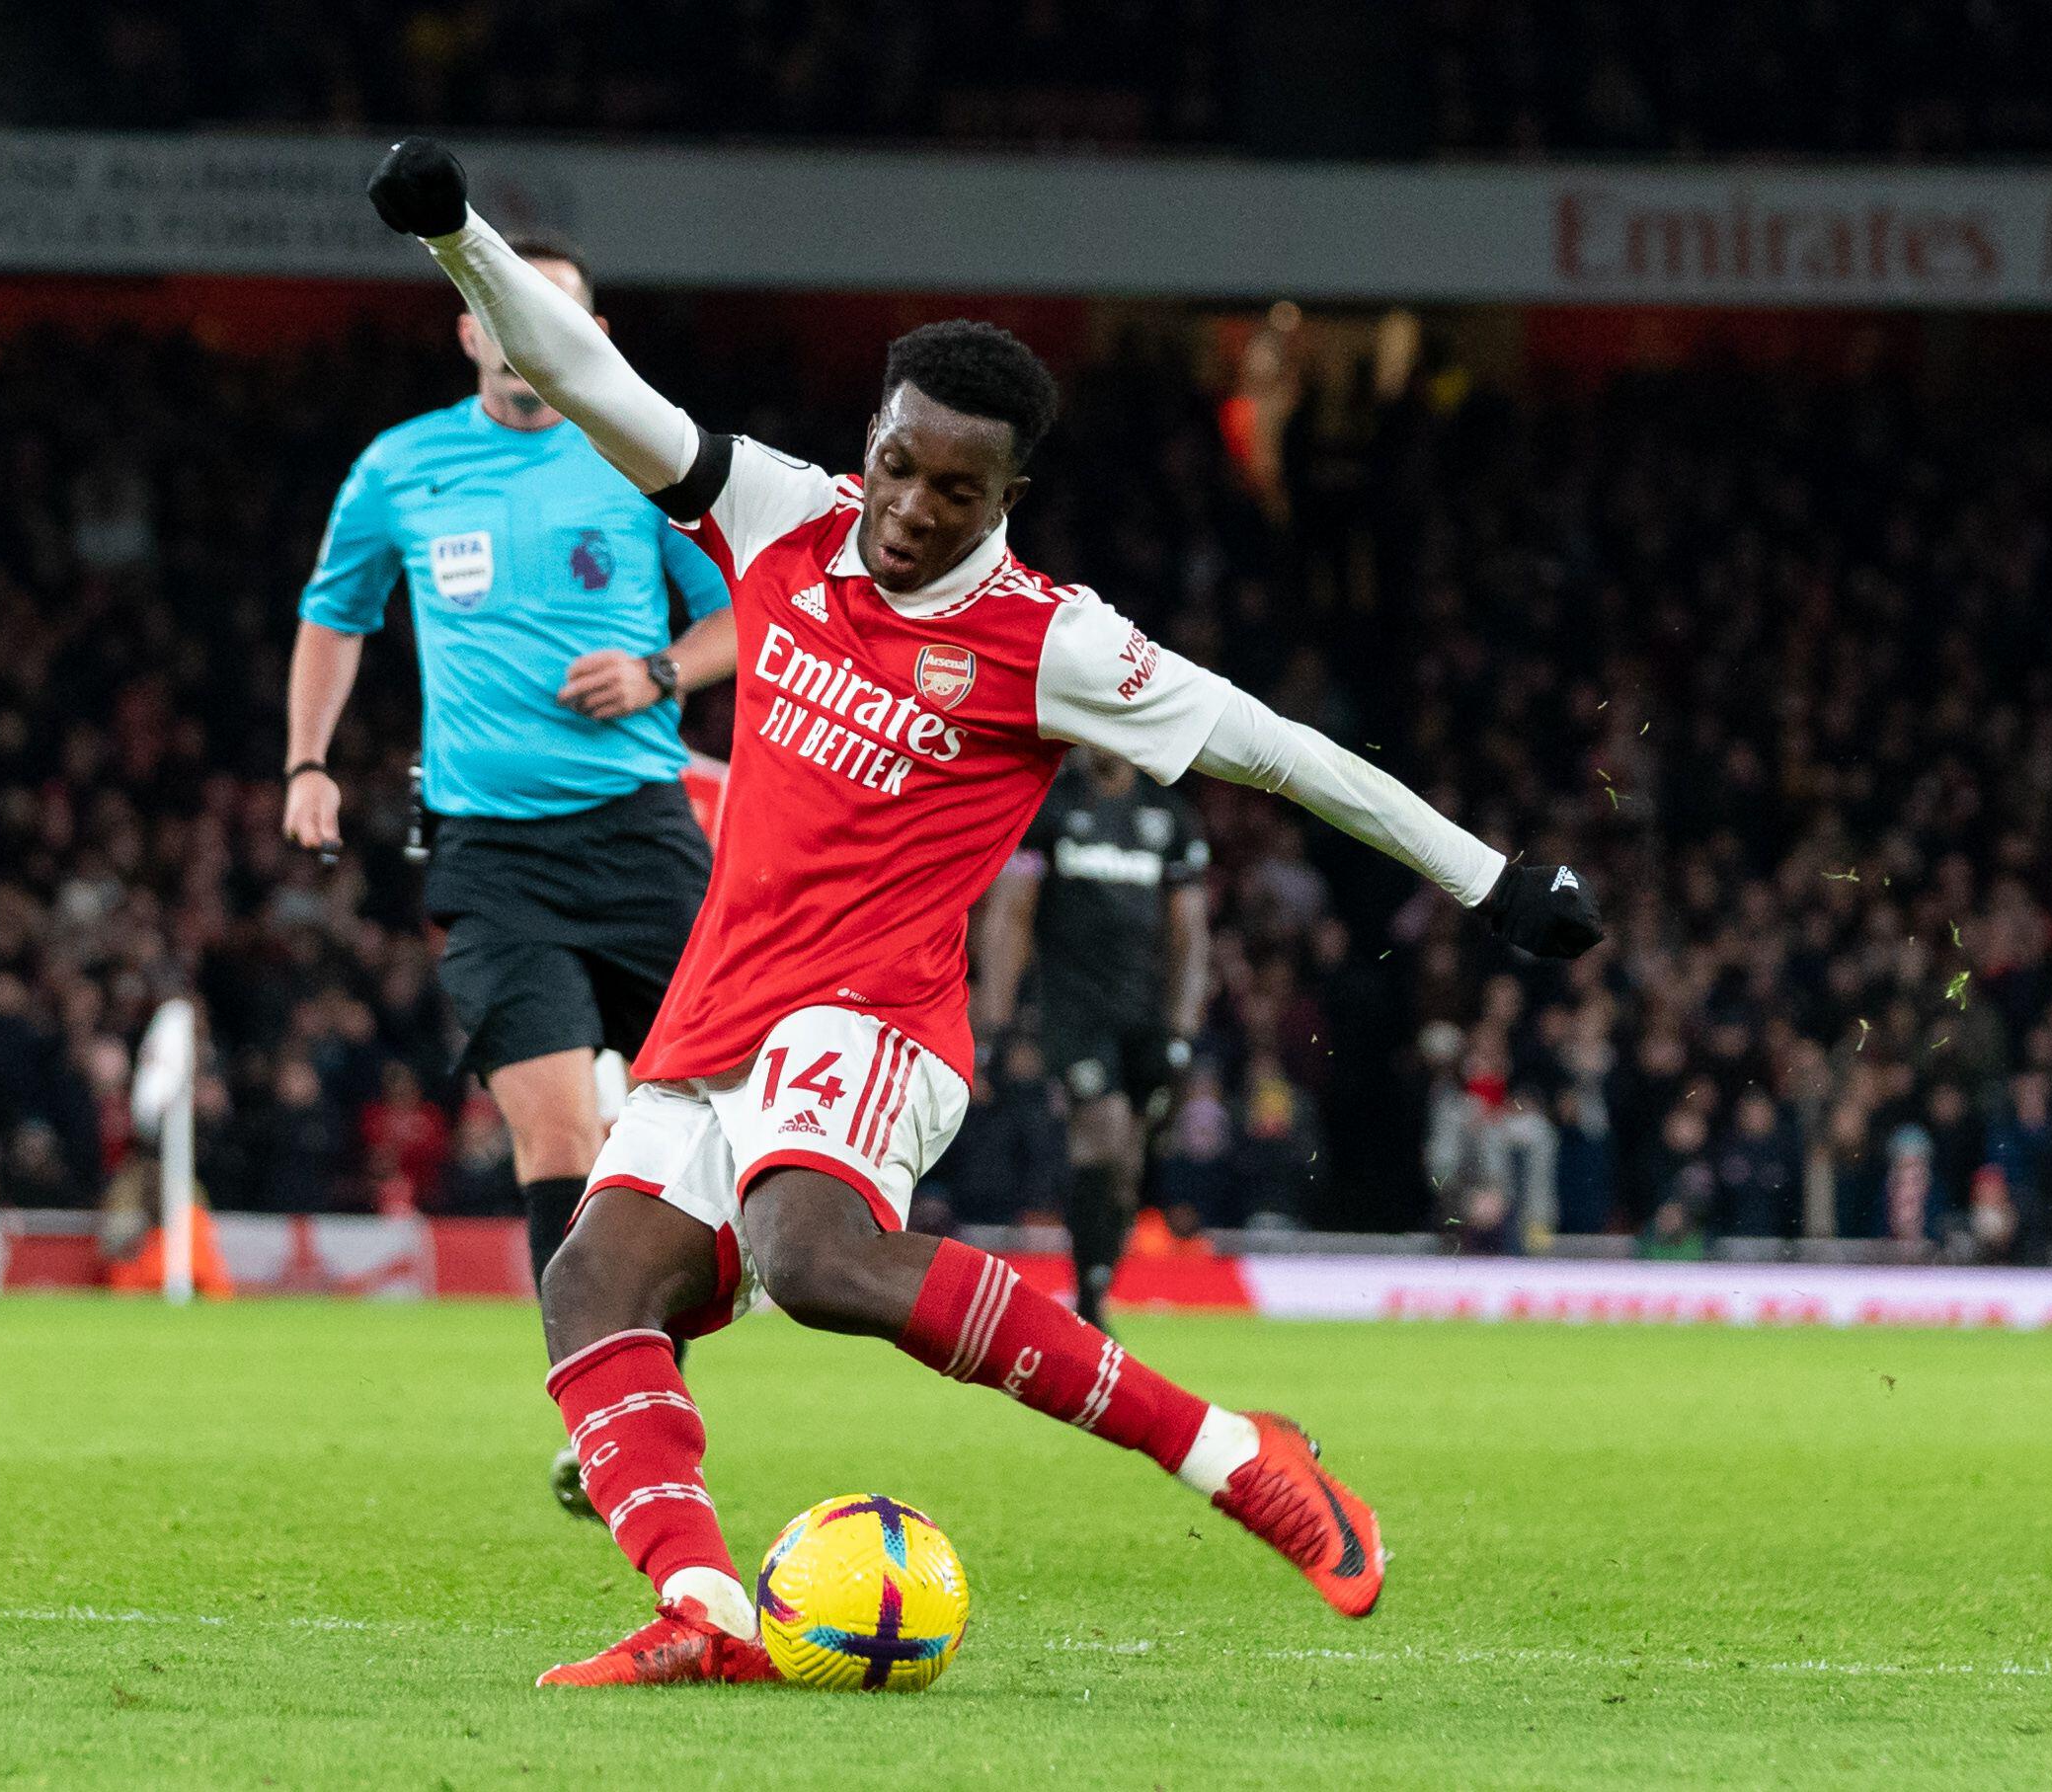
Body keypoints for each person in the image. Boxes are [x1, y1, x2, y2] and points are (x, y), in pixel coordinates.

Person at [371, 139, 1605, 1687]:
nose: (906, 510)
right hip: (718, 1009)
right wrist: (454, 236)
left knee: (809, 1254)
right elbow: (591, 371)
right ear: (870, 443)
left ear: (1006, 497)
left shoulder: (1050, 639)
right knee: (589, 1285)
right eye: (896, 466)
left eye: (954, 492)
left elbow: (1283, 752)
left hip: (873, 1013)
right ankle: (706, 1609)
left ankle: (1234, 1453)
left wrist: (1490, 878)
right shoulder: (779, 519)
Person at [280, 227, 737, 1313]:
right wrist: (306, 761)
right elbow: (332, 616)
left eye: (556, 311)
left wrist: (657, 673)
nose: (528, 328)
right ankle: (599, 1396)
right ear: (467, 327)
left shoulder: (645, 458)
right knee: (554, 1126)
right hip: (490, 850)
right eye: (506, 305)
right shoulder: (401, 466)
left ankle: (669, 1326)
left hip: (639, 830)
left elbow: (743, 611)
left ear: (593, 335)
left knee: (711, 1106)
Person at [974, 746, 1211, 1328]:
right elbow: (1012, 912)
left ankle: (1096, 1286)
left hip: (1146, 1015)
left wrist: (1182, 1028)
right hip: (1073, 1010)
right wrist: (992, 1023)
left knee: (1127, 1164)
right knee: (1102, 1137)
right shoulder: (1052, 805)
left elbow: (1190, 934)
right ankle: (1090, 1301)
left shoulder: (1168, 817)